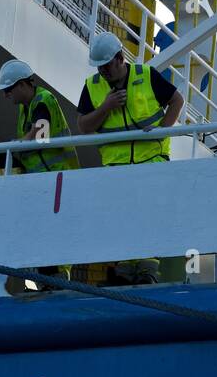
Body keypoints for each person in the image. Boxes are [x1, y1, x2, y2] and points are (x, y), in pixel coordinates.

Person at [78, 31, 184, 284]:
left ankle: (147, 270)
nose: (103, 72)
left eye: (106, 66)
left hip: (152, 159)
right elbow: (83, 126)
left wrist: (162, 131)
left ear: (119, 58)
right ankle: (125, 269)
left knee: (149, 214)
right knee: (120, 216)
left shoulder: (146, 75)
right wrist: (106, 106)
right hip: (116, 165)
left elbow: (177, 101)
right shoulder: (93, 87)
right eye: (99, 68)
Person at [0, 59, 77, 289]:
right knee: (43, 230)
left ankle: (57, 280)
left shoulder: (43, 100)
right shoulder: (26, 109)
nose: (6, 95)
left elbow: (41, 135)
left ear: (23, 85)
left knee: (54, 231)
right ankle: (47, 279)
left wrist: (17, 144)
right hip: (44, 182)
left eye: (8, 90)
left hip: (58, 179)